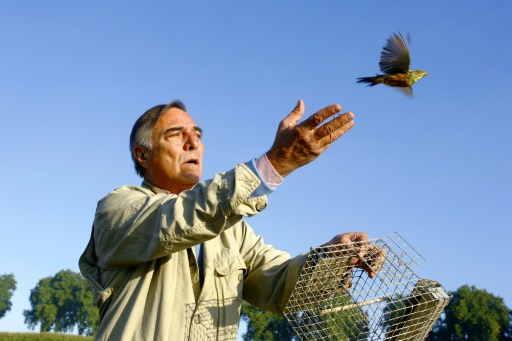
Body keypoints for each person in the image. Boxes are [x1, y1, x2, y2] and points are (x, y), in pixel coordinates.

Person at [79, 99, 383, 340]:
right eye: (176, 134)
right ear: (142, 156)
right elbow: (177, 221)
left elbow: (279, 286)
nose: (193, 142)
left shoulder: (231, 232)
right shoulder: (118, 209)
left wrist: (335, 256)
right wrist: (272, 165)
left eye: (197, 134)